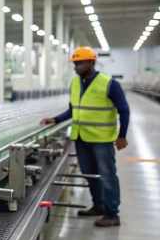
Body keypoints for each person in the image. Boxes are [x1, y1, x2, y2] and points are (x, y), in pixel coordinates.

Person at [40, 46, 129, 227]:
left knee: (107, 176)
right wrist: (55, 120)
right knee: (90, 174)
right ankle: (98, 206)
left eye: (80, 63)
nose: (77, 66)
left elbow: (124, 110)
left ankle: (112, 214)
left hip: (102, 140)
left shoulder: (109, 83)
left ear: (91, 62)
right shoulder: (75, 83)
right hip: (81, 138)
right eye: (75, 63)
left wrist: (122, 136)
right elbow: (74, 110)